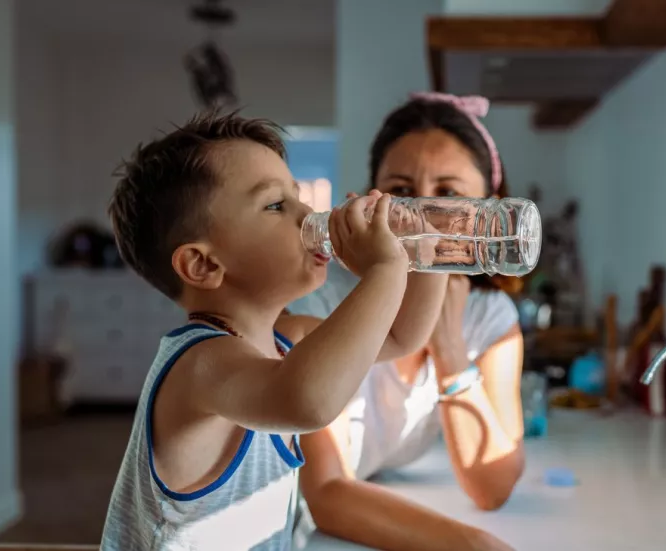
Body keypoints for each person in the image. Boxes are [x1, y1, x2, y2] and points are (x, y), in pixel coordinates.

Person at [100, 111, 448, 550]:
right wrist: (383, 270)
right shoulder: (200, 364)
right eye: (275, 205)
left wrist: (431, 251)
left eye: (298, 196)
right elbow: (308, 402)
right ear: (204, 264)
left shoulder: (289, 337)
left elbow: (401, 337)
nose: (307, 215)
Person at [285, 93, 525, 551]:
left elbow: (491, 486)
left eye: (449, 195)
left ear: (487, 210)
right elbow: (324, 495)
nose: (424, 217)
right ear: (372, 196)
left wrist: (449, 346)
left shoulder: (489, 317)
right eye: (403, 190)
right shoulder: (315, 306)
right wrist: (473, 545)